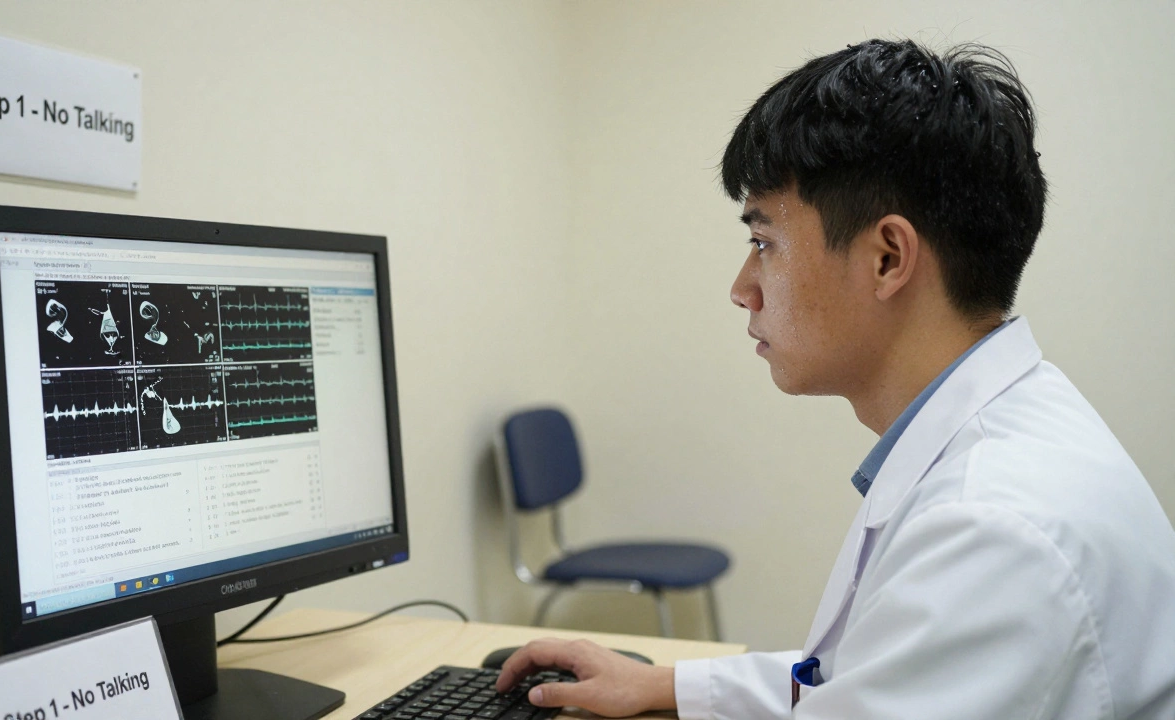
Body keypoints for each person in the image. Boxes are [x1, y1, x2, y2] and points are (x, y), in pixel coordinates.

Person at [494, 38, 1175, 719]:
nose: (742, 288)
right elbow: (859, 681)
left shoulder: (993, 530)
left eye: (764, 243)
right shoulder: (1006, 440)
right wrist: (664, 685)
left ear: (886, 259)